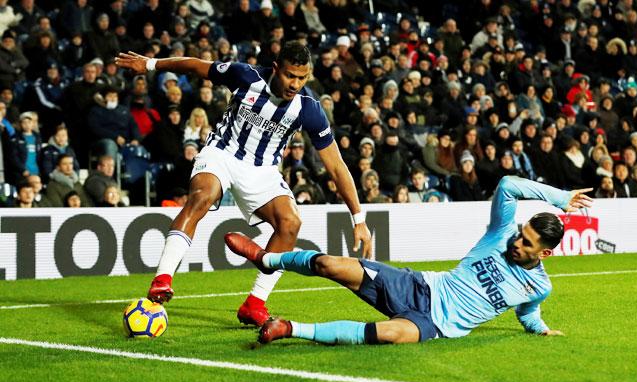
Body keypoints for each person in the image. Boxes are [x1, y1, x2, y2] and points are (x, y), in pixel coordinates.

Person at [116, 41, 372, 327]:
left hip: (262, 171)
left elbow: (336, 165)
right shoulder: (245, 76)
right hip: (222, 153)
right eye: (290, 75)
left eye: (302, 78)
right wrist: (151, 64)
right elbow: (195, 65)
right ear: (276, 68)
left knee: (291, 222)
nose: (295, 84)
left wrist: (358, 218)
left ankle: (254, 303)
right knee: (202, 197)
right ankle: (162, 279)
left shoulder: (308, 109)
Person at [225, 176, 593, 345]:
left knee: (391, 335)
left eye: (526, 243)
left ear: (545, 253)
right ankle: (267, 258)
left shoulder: (539, 286)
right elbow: (508, 184)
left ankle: (289, 328)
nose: (516, 242)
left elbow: (528, 311)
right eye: (520, 233)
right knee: (330, 265)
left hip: (435, 326)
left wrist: (539, 329)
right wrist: (558, 197)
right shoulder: (500, 234)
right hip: (419, 286)